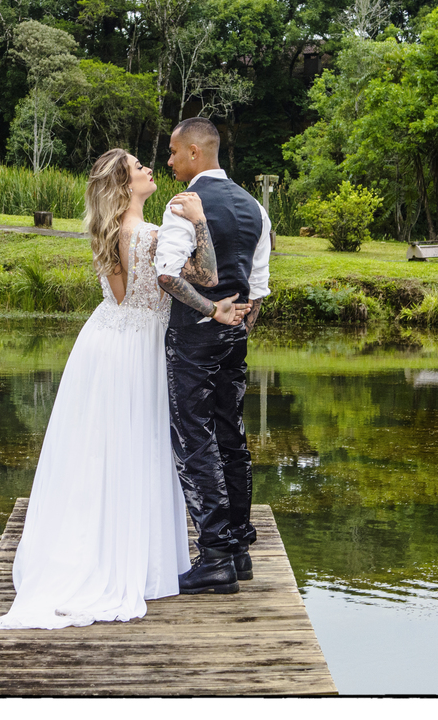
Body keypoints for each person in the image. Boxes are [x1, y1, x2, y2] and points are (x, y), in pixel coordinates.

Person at [0, 148, 246, 630]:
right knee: (139, 444)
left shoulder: (106, 231)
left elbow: (124, 294)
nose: (149, 168)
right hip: (142, 343)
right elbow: (206, 276)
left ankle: (96, 543)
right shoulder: (151, 235)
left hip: (105, 339)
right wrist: (200, 222)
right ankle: (136, 558)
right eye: (138, 167)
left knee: (100, 447)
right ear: (126, 186)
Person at [154, 117, 271, 595]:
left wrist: (211, 313)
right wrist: (238, 328)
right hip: (235, 338)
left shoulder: (184, 205)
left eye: (173, 152)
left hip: (195, 337)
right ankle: (240, 549)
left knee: (195, 441)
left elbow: (167, 275)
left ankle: (216, 557)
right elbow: (258, 288)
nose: (169, 160)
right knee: (232, 436)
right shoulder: (253, 207)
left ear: (194, 153)